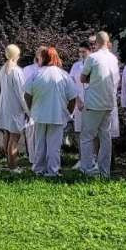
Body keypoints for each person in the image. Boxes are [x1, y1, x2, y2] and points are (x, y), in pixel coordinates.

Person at [23, 47, 78, 177]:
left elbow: (27, 95)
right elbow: (72, 98)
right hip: (57, 115)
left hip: (39, 115)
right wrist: (68, 113)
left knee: (39, 144)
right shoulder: (64, 75)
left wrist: (31, 110)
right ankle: (53, 170)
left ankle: (38, 169)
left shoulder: (36, 74)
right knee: (54, 145)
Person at [79, 31, 121, 178]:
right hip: (109, 102)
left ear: (96, 43)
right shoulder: (113, 58)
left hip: (94, 102)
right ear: (108, 42)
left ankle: (87, 169)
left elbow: (83, 78)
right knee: (105, 137)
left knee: (87, 136)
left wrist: (93, 79)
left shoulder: (92, 57)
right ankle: (105, 171)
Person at [0, 44, 30, 172]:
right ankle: (13, 167)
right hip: (14, 108)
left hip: (4, 106)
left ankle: (9, 164)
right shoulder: (16, 71)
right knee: (14, 137)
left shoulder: (2, 69)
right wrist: (28, 111)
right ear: (17, 56)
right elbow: (21, 94)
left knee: (7, 135)